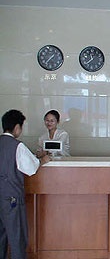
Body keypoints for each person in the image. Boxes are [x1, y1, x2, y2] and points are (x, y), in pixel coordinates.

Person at [0, 109, 50, 259]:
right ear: (17, 127)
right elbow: (31, 168)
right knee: (17, 237)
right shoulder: (17, 146)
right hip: (12, 198)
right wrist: (42, 160)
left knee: (1, 236)